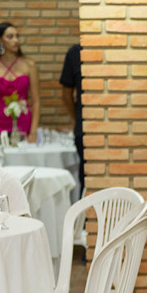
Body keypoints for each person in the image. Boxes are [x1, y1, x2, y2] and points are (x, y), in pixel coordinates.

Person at [0, 21, 40, 142]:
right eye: (10, 36)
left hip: (23, 123)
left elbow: (36, 101)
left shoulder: (29, 64)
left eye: (17, 36)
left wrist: (33, 131)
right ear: (0, 40)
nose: (16, 40)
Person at [59, 43, 85, 190]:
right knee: (86, 177)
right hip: (83, 129)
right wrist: (78, 118)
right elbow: (66, 94)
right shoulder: (75, 53)